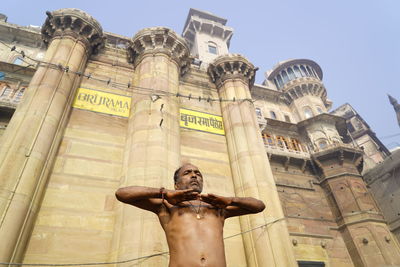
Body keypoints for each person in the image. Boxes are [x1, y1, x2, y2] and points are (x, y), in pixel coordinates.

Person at [115, 163, 265, 267]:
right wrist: (164, 193)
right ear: (176, 185)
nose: (194, 176)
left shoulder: (218, 207)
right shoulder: (166, 206)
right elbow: (122, 194)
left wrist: (232, 200)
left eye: (197, 173)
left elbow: (259, 206)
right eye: (187, 173)